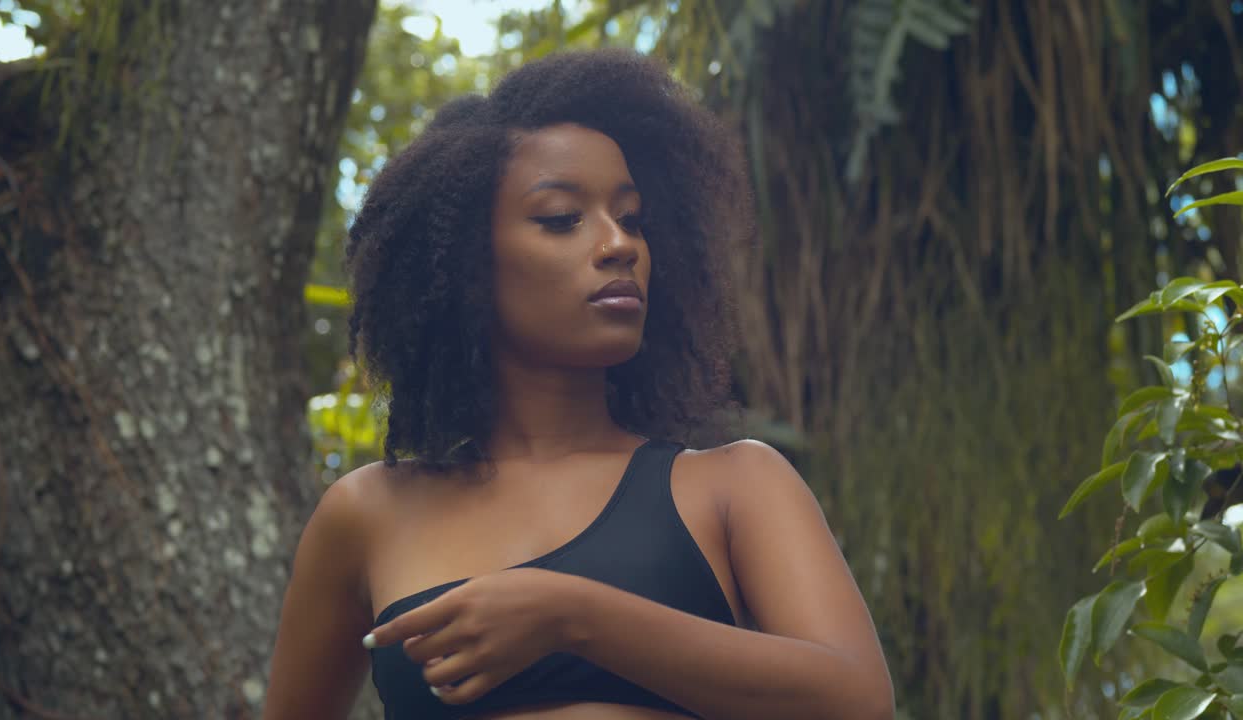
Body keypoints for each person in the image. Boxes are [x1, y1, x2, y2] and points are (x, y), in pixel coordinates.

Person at [262, 48, 894, 720]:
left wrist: (571, 615)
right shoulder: (365, 515)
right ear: (466, 269)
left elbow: (855, 700)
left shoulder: (735, 486)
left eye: (632, 218)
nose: (619, 244)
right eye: (563, 218)